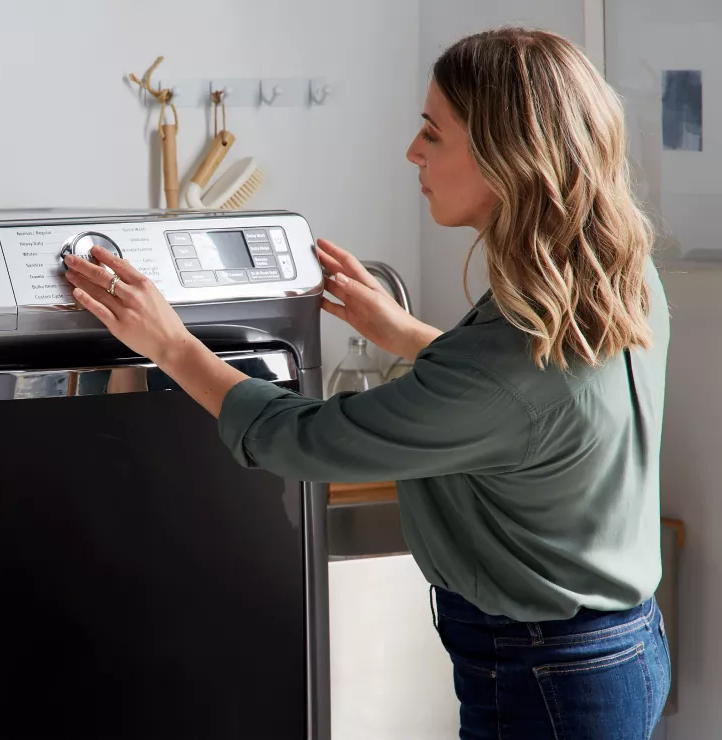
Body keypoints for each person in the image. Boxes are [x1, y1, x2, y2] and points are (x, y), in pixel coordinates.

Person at [62, 26, 671, 740]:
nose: (413, 151)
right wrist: (406, 336)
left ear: (507, 158)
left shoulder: (508, 359)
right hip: (616, 649)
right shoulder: (610, 274)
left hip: (544, 677)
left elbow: (299, 439)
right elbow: (543, 406)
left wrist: (169, 342)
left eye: (432, 133)